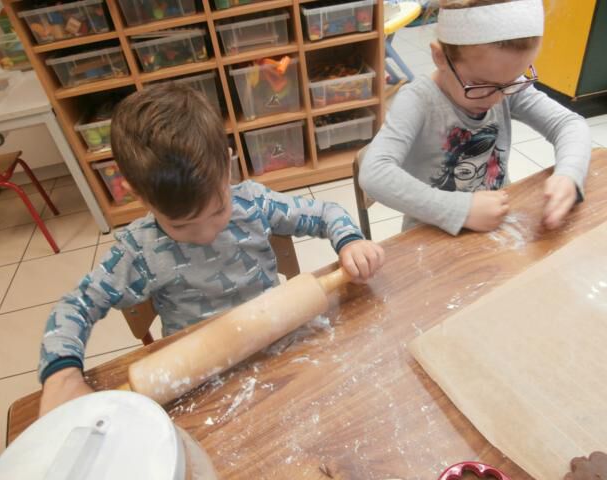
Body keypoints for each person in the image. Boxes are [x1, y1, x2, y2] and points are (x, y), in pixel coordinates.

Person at [38, 83, 385, 416]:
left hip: (276, 348)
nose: (206, 234)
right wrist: (62, 376)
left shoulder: (253, 204)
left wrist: (350, 242)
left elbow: (326, 213)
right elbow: (76, 305)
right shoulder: (140, 250)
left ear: (227, 162)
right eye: (181, 225)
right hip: (200, 382)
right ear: (136, 194)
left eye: (218, 210)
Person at [360, 0, 591, 235]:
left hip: (497, 225)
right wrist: (461, 210)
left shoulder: (501, 83)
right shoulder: (418, 101)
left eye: (511, 82)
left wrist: (569, 174)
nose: (497, 98)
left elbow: (569, 124)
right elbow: (374, 173)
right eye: (480, 84)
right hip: (432, 237)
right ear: (440, 57)